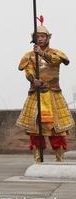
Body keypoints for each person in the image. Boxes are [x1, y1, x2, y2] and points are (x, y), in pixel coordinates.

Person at [16, 18, 74, 162]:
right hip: (36, 94)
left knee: (57, 128)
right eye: (37, 36)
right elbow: (27, 70)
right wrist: (32, 79)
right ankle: (37, 157)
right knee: (35, 129)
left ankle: (59, 157)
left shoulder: (56, 53)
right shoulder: (29, 56)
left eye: (42, 36)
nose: (40, 39)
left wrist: (41, 53)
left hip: (53, 93)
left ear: (48, 38)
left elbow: (57, 61)